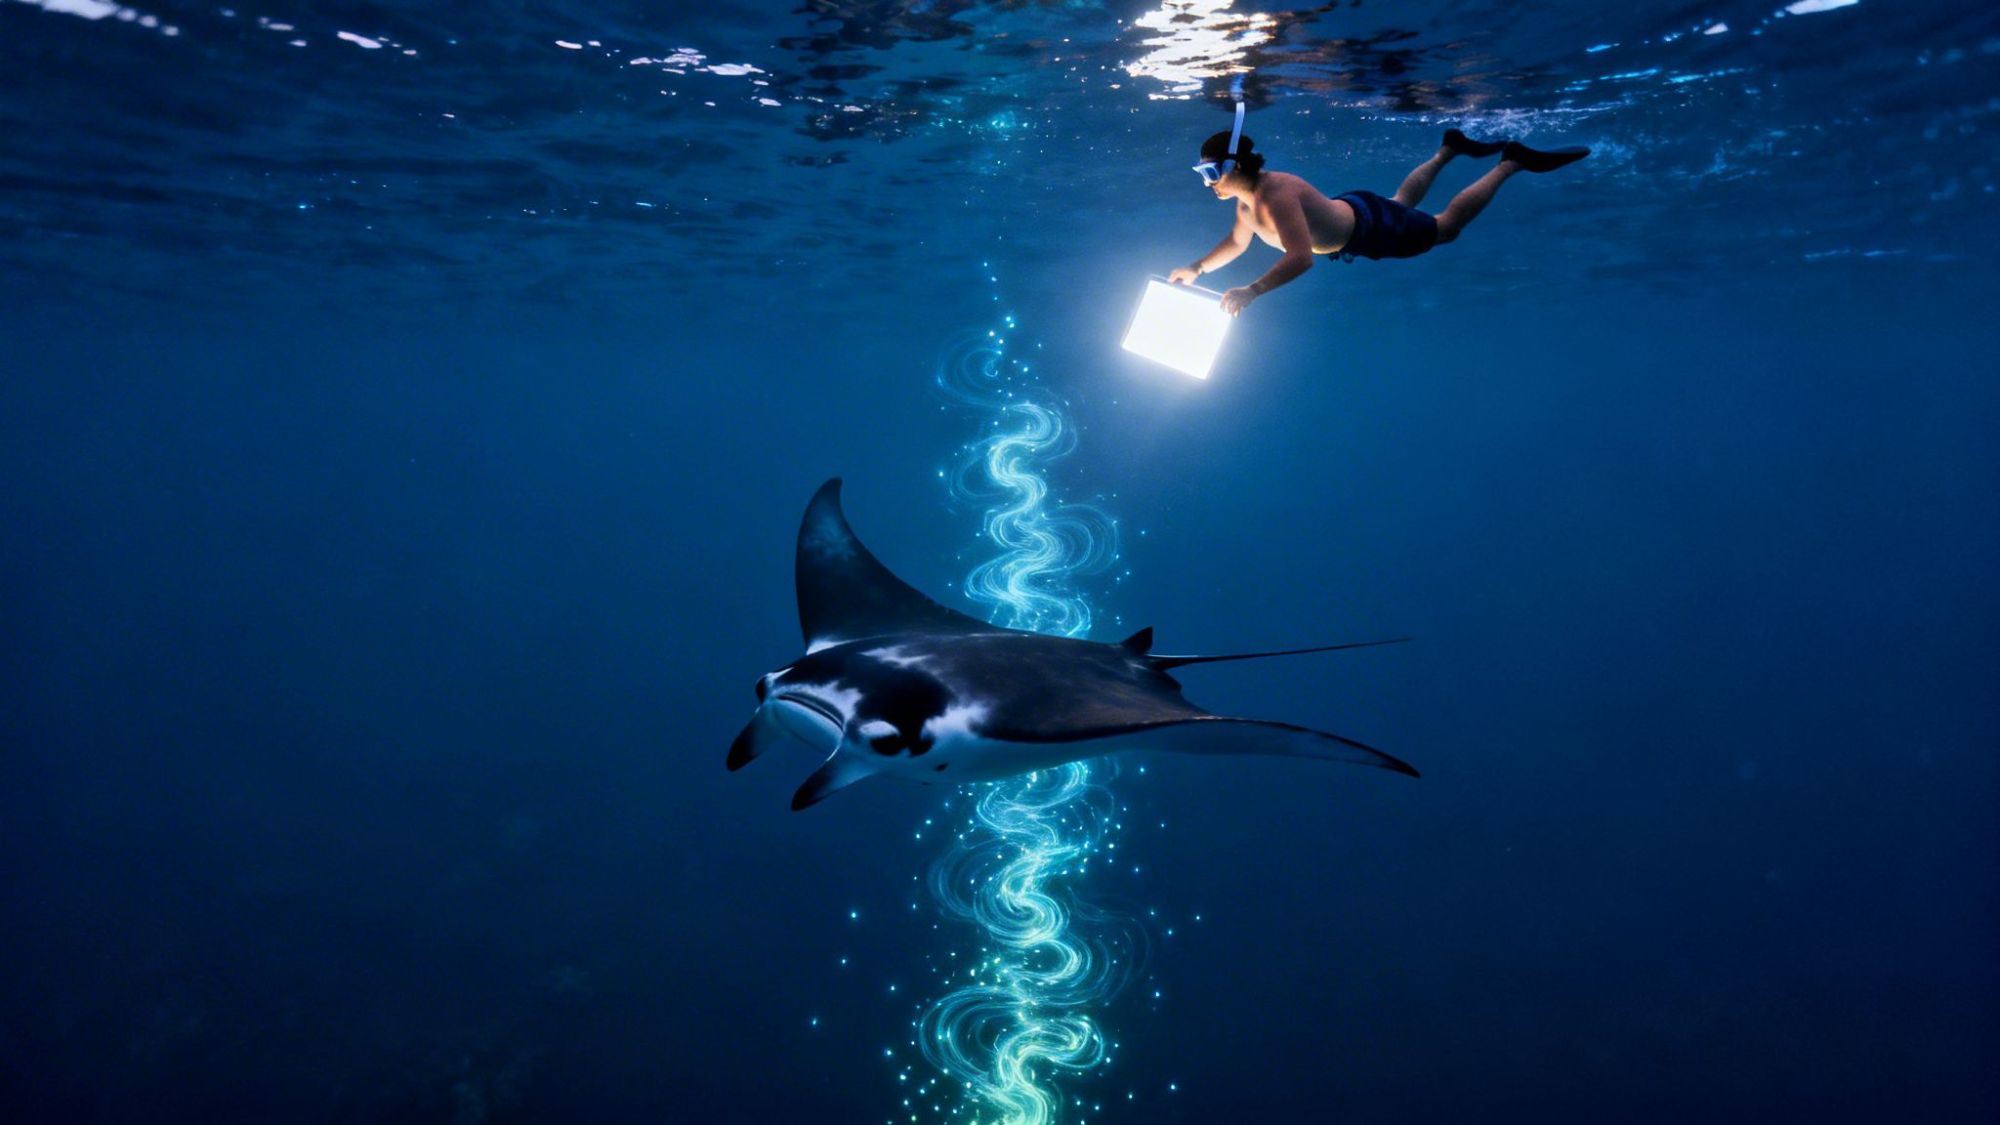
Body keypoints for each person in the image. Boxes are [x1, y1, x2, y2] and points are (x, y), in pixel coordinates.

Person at [1168, 128, 1590, 316]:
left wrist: (1252, 290)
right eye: (1202, 175)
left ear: (1235, 166)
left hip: (1369, 229)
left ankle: (1511, 163)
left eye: (1211, 174)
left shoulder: (1275, 196)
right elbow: (1238, 243)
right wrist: (1198, 268)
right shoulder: (1245, 203)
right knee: (1401, 201)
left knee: (1445, 228)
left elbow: (1301, 258)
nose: (1209, 185)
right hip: (1357, 215)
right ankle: (1449, 149)